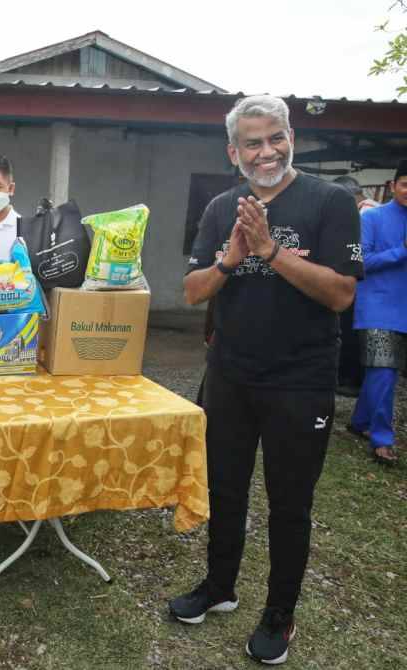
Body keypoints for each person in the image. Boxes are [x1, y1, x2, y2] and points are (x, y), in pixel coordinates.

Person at [172, 96, 361, 665]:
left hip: (300, 381)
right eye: (252, 143)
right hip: (230, 375)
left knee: (289, 504)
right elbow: (192, 291)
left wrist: (270, 251)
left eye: (275, 137)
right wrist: (232, 258)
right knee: (225, 490)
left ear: (291, 138)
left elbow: (340, 293)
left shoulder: (330, 203)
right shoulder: (222, 206)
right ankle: (220, 586)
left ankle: (280, 613)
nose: (266, 151)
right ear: (235, 152)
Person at [347, 160, 407, 464]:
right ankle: (382, 438)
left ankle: (359, 421)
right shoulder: (373, 218)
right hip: (378, 306)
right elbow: (361, 262)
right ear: (393, 185)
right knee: (383, 372)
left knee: (384, 373)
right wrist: (402, 250)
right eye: (406, 184)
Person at [332, 176, 378, 396]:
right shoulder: (372, 209)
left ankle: (352, 380)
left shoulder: (365, 213)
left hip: (363, 284)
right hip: (368, 284)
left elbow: (357, 253)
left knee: (352, 332)